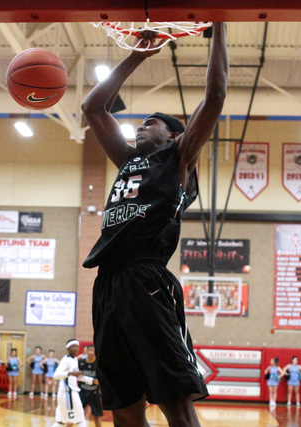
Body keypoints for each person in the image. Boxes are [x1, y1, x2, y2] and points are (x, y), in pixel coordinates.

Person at [80, 22, 228, 427]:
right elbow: (93, 108)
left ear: (173, 135)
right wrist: (137, 56)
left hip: (148, 282)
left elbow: (215, 96)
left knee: (175, 404)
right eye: (141, 122)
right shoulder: (129, 161)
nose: (141, 126)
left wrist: (219, 28)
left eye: (152, 122)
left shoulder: (178, 159)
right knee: (124, 411)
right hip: (107, 286)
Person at [52, 339, 87, 427]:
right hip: (68, 394)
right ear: (68, 348)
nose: (75, 348)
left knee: (60, 421)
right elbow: (56, 375)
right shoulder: (66, 360)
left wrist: (92, 380)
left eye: (77, 346)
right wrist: (70, 373)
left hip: (69, 393)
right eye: (73, 346)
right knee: (81, 420)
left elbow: (77, 376)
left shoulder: (74, 359)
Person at [79, 345, 103, 427]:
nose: (92, 352)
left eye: (93, 351)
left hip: (94, 393)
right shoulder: (80, 363)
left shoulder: (98, 364)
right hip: (82, 392)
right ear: (86, 351)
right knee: (77, 415)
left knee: (97, 416)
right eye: (90, 350)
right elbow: (76, 376)